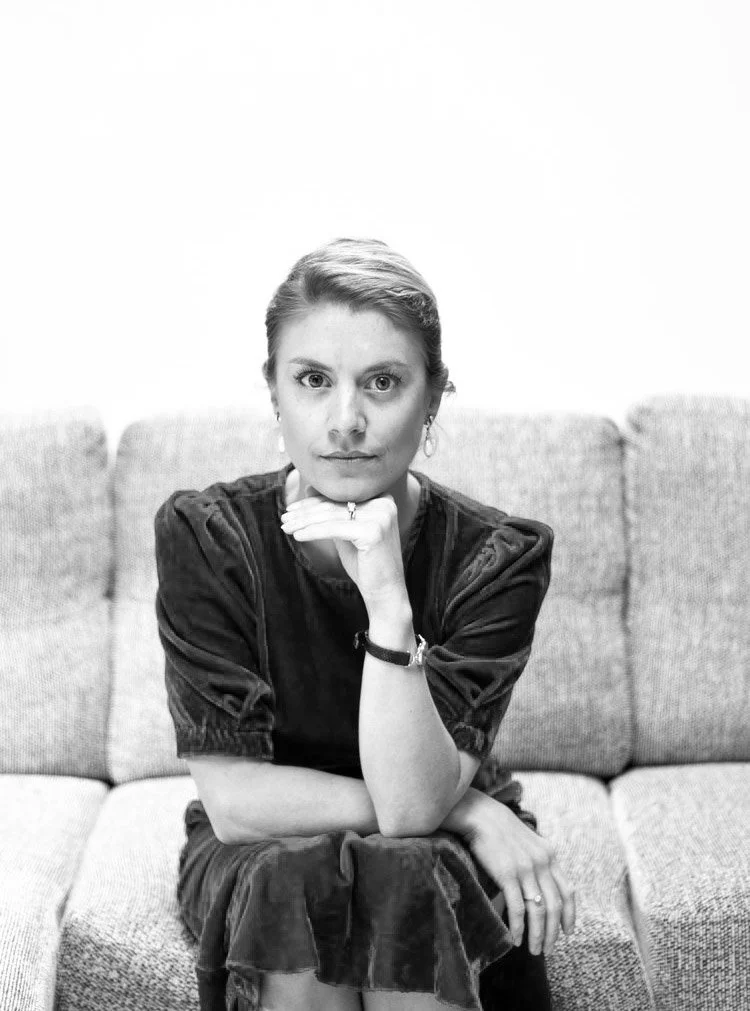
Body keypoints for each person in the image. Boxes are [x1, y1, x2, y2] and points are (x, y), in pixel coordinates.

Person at [154, 237, 576, 1011]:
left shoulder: (498, 558)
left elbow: (412, 812)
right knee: (294, 880)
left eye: (383, 382)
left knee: (406, 872)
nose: (345, 420)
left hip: (427, 835)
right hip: (268, 847)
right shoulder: (209, 536)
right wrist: (469, 808)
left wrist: (387, 600)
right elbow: (236, 801)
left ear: (433, 397)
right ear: (274, 392)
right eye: (313, 379)